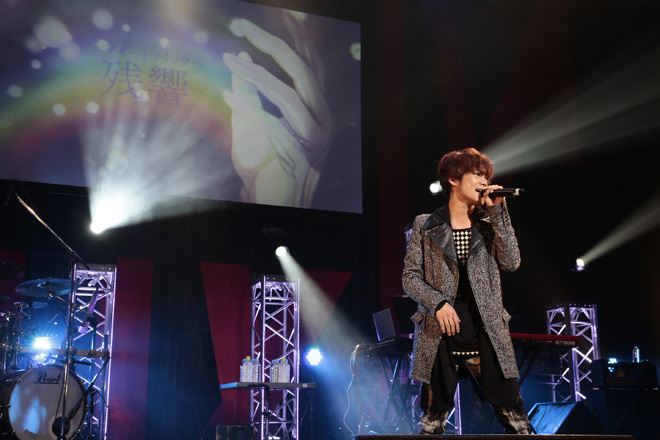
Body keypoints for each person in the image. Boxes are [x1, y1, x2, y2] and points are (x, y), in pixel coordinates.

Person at [402, 147, 533, 435]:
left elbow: (511, 262)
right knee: (433, 418)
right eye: (477, 174)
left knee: (513, 413)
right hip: (440, 328)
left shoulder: (490, 222)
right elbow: (410, 277)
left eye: (486, 176)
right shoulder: (426, 224)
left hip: (484, 326)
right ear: (453, 178)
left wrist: (498, 212)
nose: (484, 181)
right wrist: (438, 303)